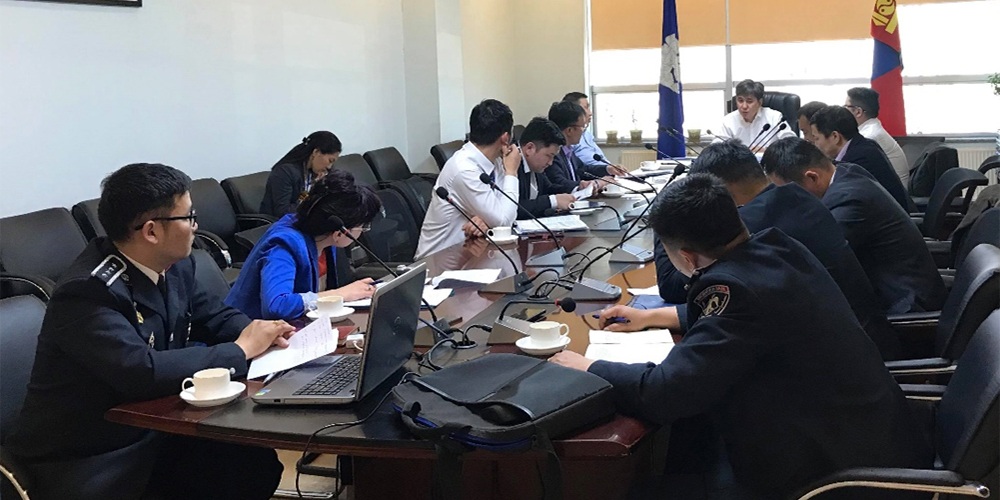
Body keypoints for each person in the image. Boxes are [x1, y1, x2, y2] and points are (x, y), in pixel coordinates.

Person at [550, 174, 931, 499]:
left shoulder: (736, 293)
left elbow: (664, 393)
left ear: (687, 258)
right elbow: (754, 318)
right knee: (684, 446)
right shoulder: (777, 247)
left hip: (833, 474)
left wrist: (588, 366)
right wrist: (651, 316)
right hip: (868, 437)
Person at [7, 164, 294, 500]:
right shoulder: (88, 291)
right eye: (188, 217)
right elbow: (141, 370)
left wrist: (262, 333)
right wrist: (241, 350)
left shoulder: (175, 264)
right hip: (91, 451)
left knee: (253, 463)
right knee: (230, 473)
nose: (195, 225)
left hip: (150, 424)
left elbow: (213, 315)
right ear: (151, 231)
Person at [653, 140, 900, 358]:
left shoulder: (752, 224)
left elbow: (673, 285)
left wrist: (665, 215)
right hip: (856, 341)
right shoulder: (796, 198)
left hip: (844, 359)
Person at [762, 137, 947, 315]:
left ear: (812, 178)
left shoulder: (848, 199)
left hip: (904, 305)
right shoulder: (846, 171)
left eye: (785, 193)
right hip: (893, 289)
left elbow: (818, 259)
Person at [226, 170, 382, 320]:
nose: (364, 231)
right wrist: (340, 294)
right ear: (340, 232)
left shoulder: (325, 239)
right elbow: (277, 305)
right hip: (245, 332)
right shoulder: (284, 244)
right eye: (363, 226)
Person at [415, 99, 522, 259]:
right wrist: (512, 172)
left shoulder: (496, 162)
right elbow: (503, 221)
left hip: (471, 254)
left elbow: (504, 213)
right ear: (506, 138)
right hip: (437, 263)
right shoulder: (464, 169)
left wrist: (488, 220)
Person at [809, 105, 910, 209]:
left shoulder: (857, 160)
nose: (815, 144)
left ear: (835, 136)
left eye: (816, 138)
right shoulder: (863, 145)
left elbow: (835, 199)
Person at [544, 100, 626, 194]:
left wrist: (608, 169)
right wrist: (596, 183)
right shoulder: (553, 153)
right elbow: (559, 183)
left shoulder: (568, 149)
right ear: (569, 130)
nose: (583, 132)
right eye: (583, 127)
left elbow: (583, 169)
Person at [260, 130, 342, 217]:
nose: (329, 167)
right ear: (316, 152)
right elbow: (283, 212)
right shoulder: (284, 172)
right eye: (330, 161)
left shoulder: (313, 172)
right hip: (280, 222)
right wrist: (313, 191)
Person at [846, 87, 911, 187]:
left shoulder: (869, 136)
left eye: (846, 107)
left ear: (858, 112)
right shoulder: (871, 128)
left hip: (890, 194)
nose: (843, 112)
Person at [515, 117, 575, 219]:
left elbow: (549, 189)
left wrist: (576, 190)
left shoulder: (535, 165)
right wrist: (553, 201)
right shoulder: (512, 165)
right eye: (549, 156)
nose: (550, 163)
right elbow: (514, 208)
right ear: (530, 148)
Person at [713, 79, 795, 150]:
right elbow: (717, 148)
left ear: (760, 102)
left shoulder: (775, 117)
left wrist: (767, 151)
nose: (744, 106)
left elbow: (791, 144)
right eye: (740, 101)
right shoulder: (728, 121)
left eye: (749, 101)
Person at [563, 91, 612, 167]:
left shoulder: (587, 134)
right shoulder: (571, 136)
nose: (590, 113)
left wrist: (610, 168)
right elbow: (581, 168)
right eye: (586, 108)